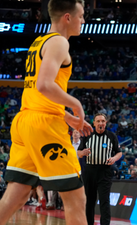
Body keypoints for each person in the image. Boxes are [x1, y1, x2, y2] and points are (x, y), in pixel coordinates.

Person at [0, 1, 92, 224]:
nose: (84, 21)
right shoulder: (59, 42)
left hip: (25, 121)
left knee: (17, 195)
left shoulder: (38, 42)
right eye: (81, 16)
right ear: (68, 18)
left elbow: (37, 93)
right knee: (76, 199)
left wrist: (67, 116)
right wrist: (76, 105)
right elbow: (44, 85)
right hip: (44, 126)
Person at [78, 113, 122, 225]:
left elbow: (119, 152)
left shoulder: (111, 136)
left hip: (105, 171)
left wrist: (114, 159)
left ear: (106, 123)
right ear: (94, 123)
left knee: (105, 201)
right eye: (98, 121)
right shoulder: (87, 135)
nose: (100, 123)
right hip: (89, 171)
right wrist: (82, 153)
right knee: (89, 201)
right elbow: (79, 152)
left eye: (103, 121)